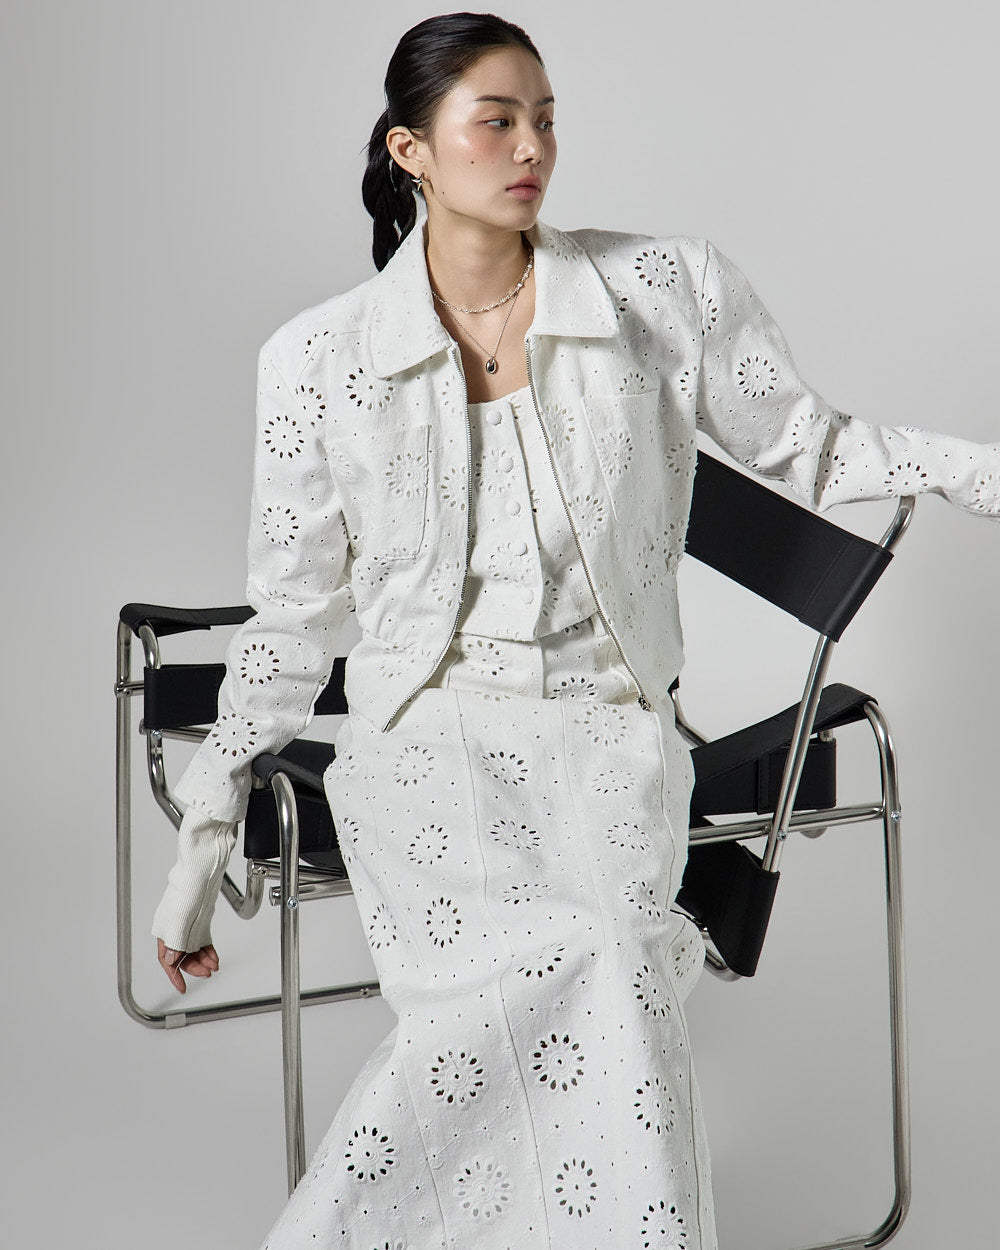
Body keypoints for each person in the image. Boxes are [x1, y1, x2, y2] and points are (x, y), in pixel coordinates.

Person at [150, 12, 1000, 1249]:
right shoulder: (317, 360)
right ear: (409, 151)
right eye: (495, 120)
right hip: (420, 742)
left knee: (608, 948)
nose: (531, 146)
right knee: (551, 978)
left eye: (545, 118)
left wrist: (985, 470)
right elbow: (293, 616)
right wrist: (205, 830)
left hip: (606, 728)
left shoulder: (662, 290)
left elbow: (812, 447)